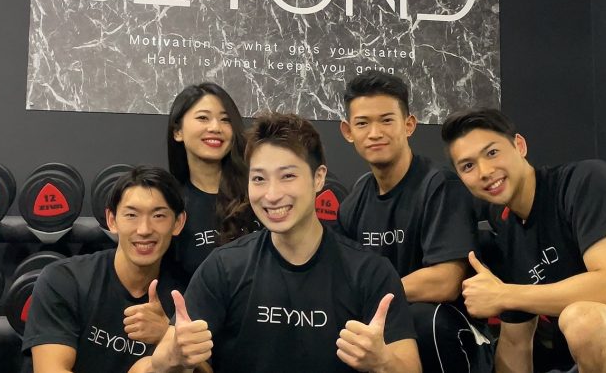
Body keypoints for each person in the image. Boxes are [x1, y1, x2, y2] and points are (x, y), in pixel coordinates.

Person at [147, 113, 421, 373]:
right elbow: (160, 362)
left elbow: (411, 367)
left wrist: (383, 362)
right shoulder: (224, 267)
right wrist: (173, 357)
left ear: (318, 178)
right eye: (259, 179)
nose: (272, 194)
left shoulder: (369, 273)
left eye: (288, 176)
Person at [441, 107, 606, 372]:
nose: (484, 171)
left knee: (583, 321)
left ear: (519, 146)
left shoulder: (586, 182)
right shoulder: (507, 235)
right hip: (579, 364)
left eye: (492, 152)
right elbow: (515, 344)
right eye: (468, 166)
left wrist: (506, 294)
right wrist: (507, 297)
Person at [338, 72, 491, 372]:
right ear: (348, 131)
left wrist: (373, 295)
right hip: (388, 325)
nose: (375, 133)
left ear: (409, 125)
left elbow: (445, 281)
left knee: (423, 318)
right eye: (362, 123)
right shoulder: (354, 202)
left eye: (386, 120)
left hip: (450, 331)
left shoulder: (440, 185)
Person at [22, 166, 188, 373]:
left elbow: (205, 368)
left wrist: (168, 334)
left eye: (159, 216)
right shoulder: (64, 280)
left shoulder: (188, 293)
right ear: (111, 220)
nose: (144, 229)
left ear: (178, 223)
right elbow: (51, 369)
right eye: (131, 215)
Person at [166, 83, 257, 278]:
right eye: (203, 118)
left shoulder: (258, 192)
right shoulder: (171, 204)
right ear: (177, 131)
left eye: (225, 120)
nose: (215, 127)